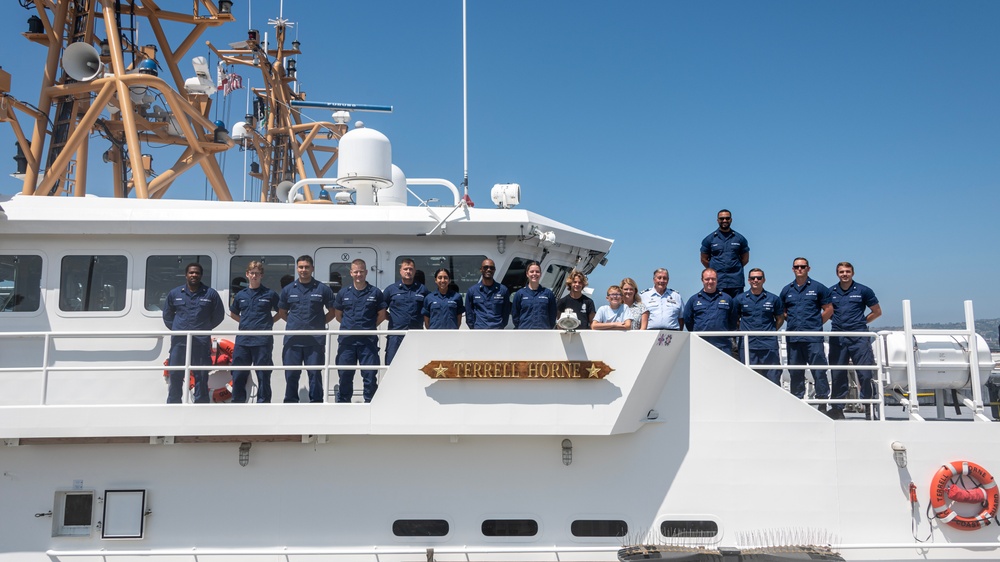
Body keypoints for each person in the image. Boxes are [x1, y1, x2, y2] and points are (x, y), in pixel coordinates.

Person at [274, 255, 336, 403]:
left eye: (307, 267)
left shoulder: (322, 289)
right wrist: (295, 324)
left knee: (314, 374)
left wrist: (319, 324)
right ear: (297, 269)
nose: (304, 270)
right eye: (301, 267)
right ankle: (290, 402)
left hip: (315, 341)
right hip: (293, 341)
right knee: (291, 375)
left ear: (312, 268)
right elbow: (282, 312)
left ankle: (316, 403)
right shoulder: (288, 290)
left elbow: (333, 312)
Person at [162, 262, 224, 403]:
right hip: (179, 341)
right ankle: (174, 403)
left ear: (201, 275)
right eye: (191, 272)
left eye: (197, 273)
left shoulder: (210, 294)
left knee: (201, 374)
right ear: (186, 275)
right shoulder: (175, 293)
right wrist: (178, 328)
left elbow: (219, 315)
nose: (194, 275)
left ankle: (201, 403)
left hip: (201, 341)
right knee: (176, 372)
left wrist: (204, 328)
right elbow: (167, 315)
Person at [828, 261, 882, 420]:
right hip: (838, 337)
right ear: (837, 273)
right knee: (838, 373)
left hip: (859, 337)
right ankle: (837, 409)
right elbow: (827, 311)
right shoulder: (830, 292)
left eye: (847, 271)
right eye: (841, 272)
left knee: (865, 373)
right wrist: (838, 321)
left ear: (852, 273)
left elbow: (877, 312)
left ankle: (869, 408)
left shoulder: (863, 290)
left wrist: (861, 323)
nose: (844, 274)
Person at [779, 257, 833, 409]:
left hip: (813, 338)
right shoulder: (786, 290)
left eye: (803, 266)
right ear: (793, 269)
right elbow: (782, 311)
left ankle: (822, 403)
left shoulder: (818, 288)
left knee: (819, 371)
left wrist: (816, 324)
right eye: (797, 267)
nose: (800, 269)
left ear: (808, 268)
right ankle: (798, 403)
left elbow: (828, 309)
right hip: (793, 338)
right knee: (795, 372)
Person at [333, 258, 387, 403]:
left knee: (369, 376)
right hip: (347, 342)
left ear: (366, 272)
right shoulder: (343, 293)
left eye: (361, 272)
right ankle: (344, 405)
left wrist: (368, 327)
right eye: (356, 272)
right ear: (351, 273)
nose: (358, 275)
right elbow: (338, 315)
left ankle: (370, 404)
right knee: (345, 375)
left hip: (367, 342)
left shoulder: (375, 293)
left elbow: (381, 315)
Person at [228, 260, 279, 403]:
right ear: (247, 274)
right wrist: (245, 324)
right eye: (252, 273)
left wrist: (269, 323)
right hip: (243, 341)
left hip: (262, 341)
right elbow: (233, 313)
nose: (254, 276)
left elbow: (281, 311)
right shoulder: (240, 295)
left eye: (257, 273)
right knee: (238, 374)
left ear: (261, 275)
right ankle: (237, 403)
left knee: (263, 374)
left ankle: (263, 404)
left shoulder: (270, 294)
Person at [733, 268, 784, 385]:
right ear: (749, 280)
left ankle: (773, 402)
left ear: (764, 280)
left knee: (773, 377)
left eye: (759, 278)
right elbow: (735, 319)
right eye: (752, 278)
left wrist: (770, 331)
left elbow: (780, 319)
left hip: (768, 345)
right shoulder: (739, 299)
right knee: (747, 378)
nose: (756, 280)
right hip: (747, 345)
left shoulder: (774, 299)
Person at [383, 258, 428, 364]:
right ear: (400, 271)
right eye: (405, 269)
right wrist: (391, 318)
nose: (408, 271)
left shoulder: (422, 290)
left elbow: (427, 310)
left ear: (414, 271)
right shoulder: (391, 290)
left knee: (416, 365)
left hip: (416, 334)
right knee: (392, 365)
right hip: (396, 335)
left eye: (411, 269)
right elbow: (381, 310)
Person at [682, 268, 738, 354]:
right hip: (700, 344)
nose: (710, 281)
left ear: (717, 280)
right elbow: (688, 319)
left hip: (723, 345)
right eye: (707, 279)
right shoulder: (694, 300)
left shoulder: (727, 298)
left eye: (713, 279)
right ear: (702, 280)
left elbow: (733, 319)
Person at [700, 209, 750, 298]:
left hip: (736, 282)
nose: (724, 220)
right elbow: (704, 259)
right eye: (722, 218)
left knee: (736, 310)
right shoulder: (709, 239)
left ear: (731, 220)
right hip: (718, 282)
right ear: (717, 220)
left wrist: (735, 267)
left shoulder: (740, 238)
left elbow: (745, 259)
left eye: (727, 218)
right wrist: (714, 269)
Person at [465, 258, 511, 329]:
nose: (489, 269)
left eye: (491, 268)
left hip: (497, 331)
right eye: (486, 267)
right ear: (481, 269)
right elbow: (469, 314)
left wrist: (501, 326)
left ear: (494, 270)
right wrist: (474, 328)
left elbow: (506, 313)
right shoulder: (472, 291)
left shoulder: (503, 290)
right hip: (479, 331)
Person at [511, 261, 557, 329]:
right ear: (527, 274)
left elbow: (552, 315)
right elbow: (515, 316)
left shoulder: (548, 294)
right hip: (525, 332)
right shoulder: (520, 294)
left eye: (537, 272)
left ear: (540, 274)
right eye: (532, 271)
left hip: (543, 333)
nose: (534, 274)